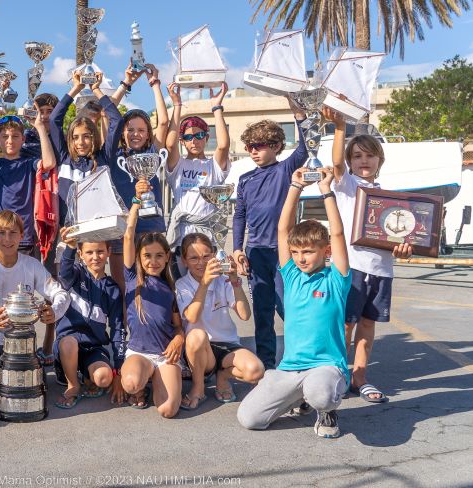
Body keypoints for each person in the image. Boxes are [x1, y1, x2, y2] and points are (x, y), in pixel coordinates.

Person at [237, 166, 351, 439]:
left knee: (321, 394)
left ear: (325, 252)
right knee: (250, 419)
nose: (301, 258)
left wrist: (326, 191)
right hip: (290, 369)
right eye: (297, 251)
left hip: (326, 366)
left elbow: (337, 234)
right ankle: (296, 398)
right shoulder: (292, 276)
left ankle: (326, 411)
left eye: (309, 252)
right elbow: (282, 228)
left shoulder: (336, 279)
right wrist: (294, 187)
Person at [328, 110, 411, 403]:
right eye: (358, 156)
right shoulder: (348, 187)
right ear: (351, 162)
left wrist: (406, 248)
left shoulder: (391, 197)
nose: (364, 160)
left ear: (380, 160)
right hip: (352, 268)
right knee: (346, 325)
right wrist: (340, 127)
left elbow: (404, 236)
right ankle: (337, 374)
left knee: (367, 326)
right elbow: (336, 163)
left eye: (370, 155)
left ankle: (359, 377)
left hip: (382, 271)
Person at [231, 106, 308, 370]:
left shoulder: (286, 169)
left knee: (289, 308)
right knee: (263, 312)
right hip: (255, 252)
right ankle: (267, 364)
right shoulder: (244, 179)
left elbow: (304, 150)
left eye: (260, 145)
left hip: (284, 252)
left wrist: (299, 116)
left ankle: (301, 357)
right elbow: (239, 216)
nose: (253, 150)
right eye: (250, 146)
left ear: (276, 146)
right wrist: (237, 249)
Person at [0, 211, 70, 387]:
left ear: (22, 236)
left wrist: (55, 311)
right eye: (1, 233)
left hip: (24, 341)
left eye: (13, 233)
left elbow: (61, 294)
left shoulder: (31, 265)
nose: (7, 239)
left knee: (36, 386)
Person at [119, 182, 185, 418]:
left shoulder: (171, 287)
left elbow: (178, 326)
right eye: (147, 256)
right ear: (139, 257)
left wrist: (179, 340)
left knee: (168, 410)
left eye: (159, 256)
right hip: (140, 354)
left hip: (165, 355)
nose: (153, 261)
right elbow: (128, 235)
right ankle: (141, 384)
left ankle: (159, 379)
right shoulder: (132, 278)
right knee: (130, 383)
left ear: (167, 257)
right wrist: (136, 202)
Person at [175, 233, 264, 410]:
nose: (201, 263)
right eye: (193, 258)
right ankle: (198, 386)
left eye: (206, 256)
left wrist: (234, 281)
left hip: (226, 345)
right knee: (197, 335)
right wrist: (205, 283)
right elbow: (192, 317)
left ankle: (222, 376)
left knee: (256, 371)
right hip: (200, 349)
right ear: (184, 261)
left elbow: (244, 314)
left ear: (214, 256)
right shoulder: (182, 284)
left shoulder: (223, 281)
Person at [0, 102, 56, 260]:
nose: (10, 141)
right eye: (4, 136)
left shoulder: (30, 164)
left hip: (23, 238)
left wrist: (39, 126)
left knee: (24, 285)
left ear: (23, 139)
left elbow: (49, 163)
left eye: (15, 136)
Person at [107, 64, 169, 291]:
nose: (135, 134)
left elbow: (164, 122)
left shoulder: (154, 153)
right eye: (130, 129)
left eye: (141, 130)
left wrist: (155, 84)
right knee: (122, 287)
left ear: (148, 133)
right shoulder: (114, 155)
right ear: (122, 132)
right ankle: (123, 327)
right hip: (122, 228)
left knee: (153, 286)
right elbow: (108, 110)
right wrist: (126, 83)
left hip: (150, 225)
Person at [53, 227, 125, 409]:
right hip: (67, 345)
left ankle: (87, 375)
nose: (95, 257)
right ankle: (73, 385)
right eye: (89, 252)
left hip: (93, 347)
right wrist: (69, 247)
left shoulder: (113, 289)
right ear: (81, 254)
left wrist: (118, 371)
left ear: (109, 252)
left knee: (104, 378)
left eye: (100, 251)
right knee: (69, 343)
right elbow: (64, 273)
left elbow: (118, 329)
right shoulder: (75, 275)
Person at [164, 83, 231, 276]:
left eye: (200, 135)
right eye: (188, 137)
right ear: (182, 141)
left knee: (209, 285)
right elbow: (169, 144)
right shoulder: (178, 165)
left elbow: (224, 145)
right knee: (182, 288)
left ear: (206, 137)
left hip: (207, 234)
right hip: (181, 235)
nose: (194, 141)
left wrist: (216, 107)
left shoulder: (213, 166)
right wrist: (177, 105)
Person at [49, 70, 122, 227]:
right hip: (67, 233)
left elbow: (117, 120)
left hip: (95, 232)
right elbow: (54, 120)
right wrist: (76, 88)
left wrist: (96, 89)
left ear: (94, 136)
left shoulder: (103, 158)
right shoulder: (64, 157)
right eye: (75, 137)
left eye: (86, 136)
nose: (80, 142)